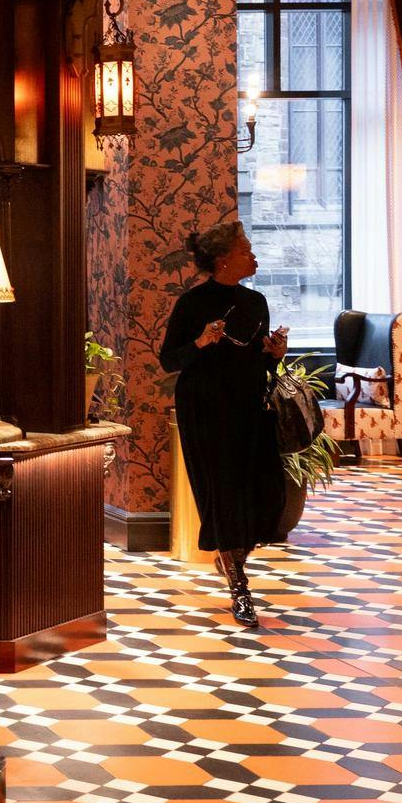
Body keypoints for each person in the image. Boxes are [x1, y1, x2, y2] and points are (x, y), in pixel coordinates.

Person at [159, 221, 289, 628]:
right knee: (225, 495)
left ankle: (232, 557)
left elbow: (257, 362)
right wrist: (200, 343)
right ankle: (240, 589)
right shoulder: (193, 303)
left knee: (264, 494)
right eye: (246, 248)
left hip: (250, 406)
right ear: (223, 258)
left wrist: (274, 354)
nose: (253, 254)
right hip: (206, 408)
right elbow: (169, 359)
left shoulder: (257, 301)